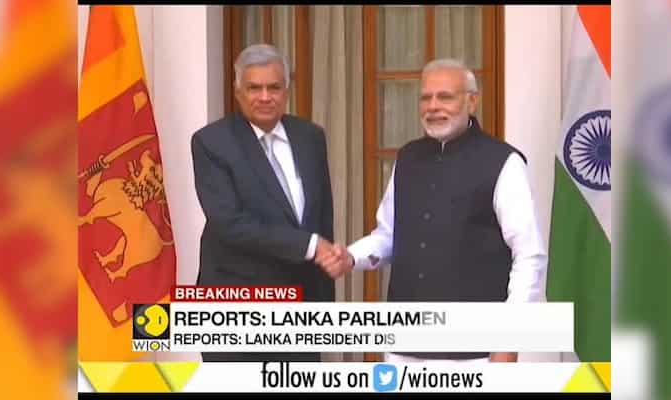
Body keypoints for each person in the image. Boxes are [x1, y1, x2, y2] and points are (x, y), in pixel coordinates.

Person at [319, 58, 548, 364]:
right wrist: (351, 256)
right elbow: (389, 236)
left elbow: (529, 256)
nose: (433, 106)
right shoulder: (407, 158)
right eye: (426, 97)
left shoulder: (504, 163)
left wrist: (509, 342)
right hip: (404, 348)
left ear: (472, 101)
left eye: (445, 97)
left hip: (474, 353)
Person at [191, 44, 336, 362]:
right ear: (238, 92)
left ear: (287, 91)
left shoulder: (310, 136)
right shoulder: (212, 142)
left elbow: (321, 215)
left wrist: (325, 296)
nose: (265, 97)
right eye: (254, 88)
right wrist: (311, 246)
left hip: (301, 310)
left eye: (274, 87)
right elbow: (229, 224)